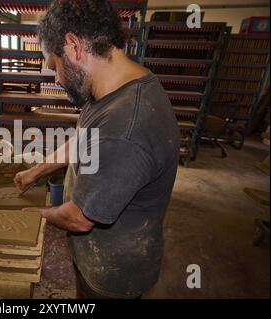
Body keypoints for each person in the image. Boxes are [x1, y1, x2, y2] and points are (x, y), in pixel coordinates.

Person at [14, 0, 180, 299]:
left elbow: (78, 218)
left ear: (74, 46)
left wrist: (34, 213)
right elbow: (82, 140)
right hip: (92, 253)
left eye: (55, 66)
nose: (57, 79)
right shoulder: (111, 90)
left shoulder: (126, 126)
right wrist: (36, 171)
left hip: (113, 271)